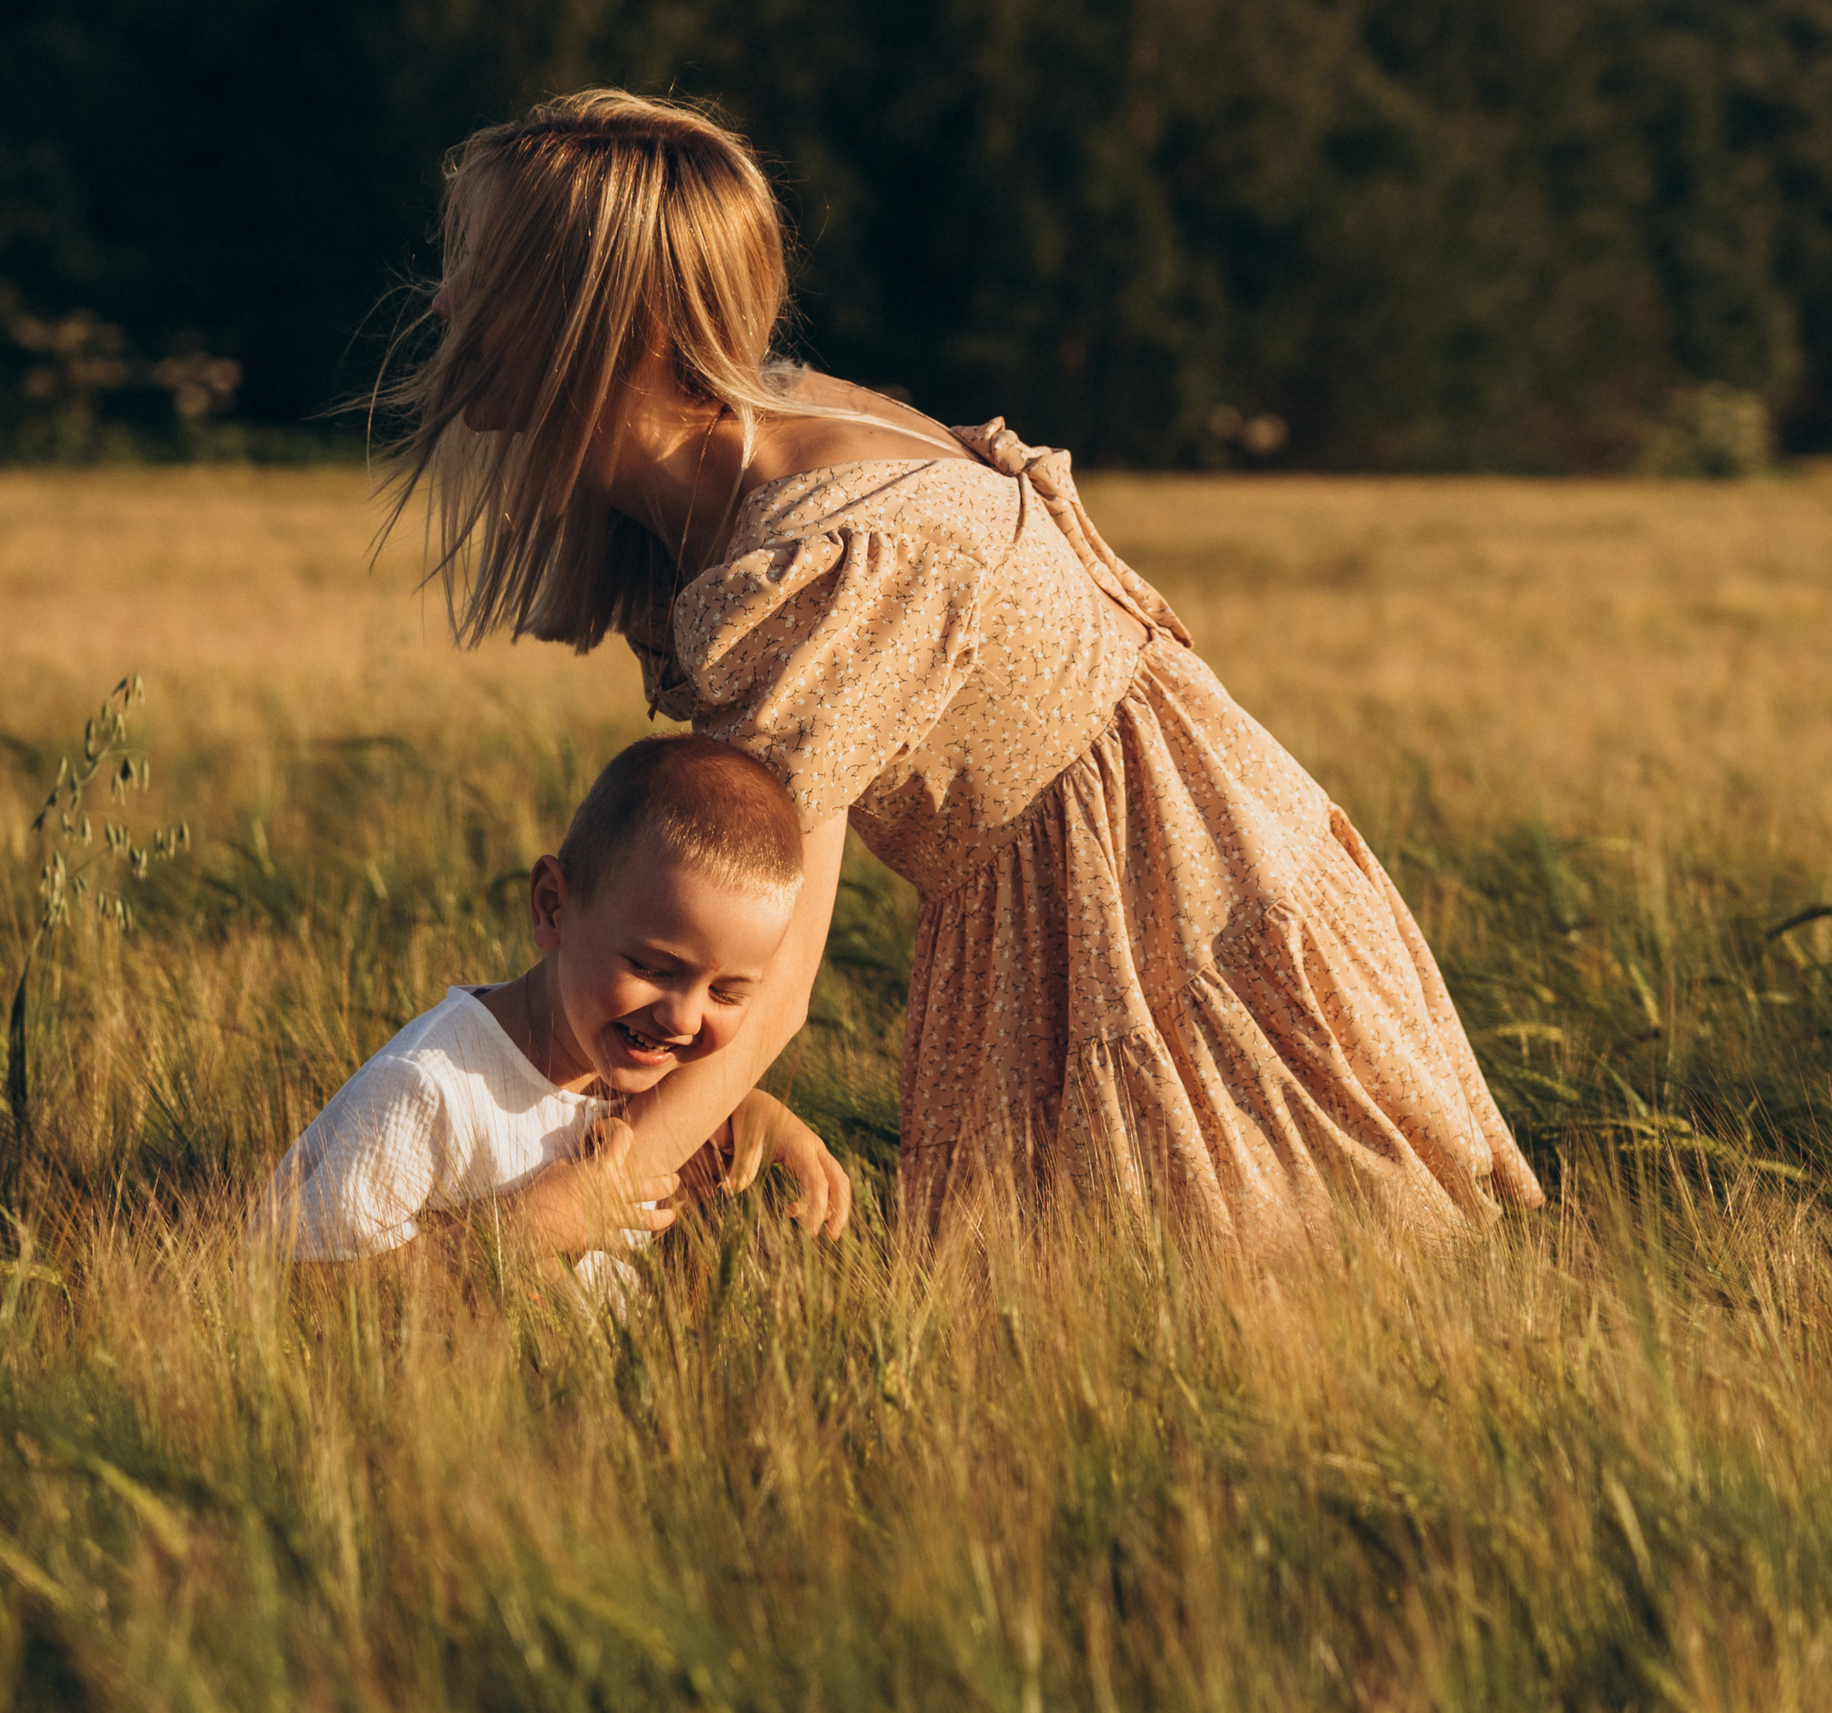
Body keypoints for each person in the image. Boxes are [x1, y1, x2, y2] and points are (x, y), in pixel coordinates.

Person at [372, 86, 1544, 1253]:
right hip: (1080, 891)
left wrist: (550, 1216)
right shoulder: (713, 477)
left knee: (1244, 1301)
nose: (445, 302)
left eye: (487, 277)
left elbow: (767, 967)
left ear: (616, 326)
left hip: (1155, 905)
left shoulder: (821, 547)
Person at [259, 729, 851, 1279]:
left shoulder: (633, 1077)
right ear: (550, 907)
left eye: (727, 992)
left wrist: (737, 1117)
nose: (683, 1018)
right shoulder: (428, 1089)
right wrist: (523, 1230)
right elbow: (299, 1290)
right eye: (650, 968)